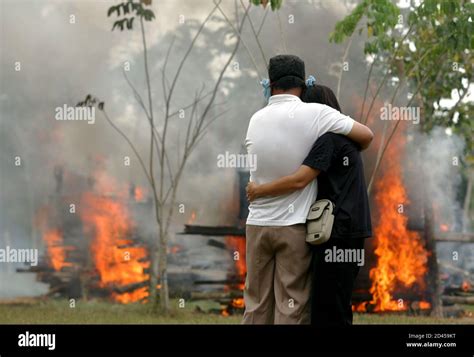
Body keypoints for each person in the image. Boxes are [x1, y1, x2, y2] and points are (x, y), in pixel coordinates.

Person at [243, 55, 373, 324]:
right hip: (293, 226)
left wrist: (258, 191)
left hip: (256, 225)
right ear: (302, 84)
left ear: (270, 83)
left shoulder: (255, 119)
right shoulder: (318, 115)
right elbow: (367, 136)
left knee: (255, 304)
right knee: (290, 305)